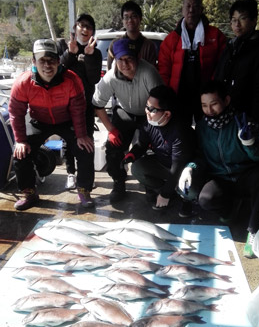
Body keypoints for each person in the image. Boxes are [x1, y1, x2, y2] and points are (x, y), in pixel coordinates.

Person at [177, 80, 259, 258]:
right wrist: (190, 168)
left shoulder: (243, 122)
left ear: (227, 100)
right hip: (221, 178)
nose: (209, 110)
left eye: (214, 104)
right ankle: (230, 210)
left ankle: (254, 232)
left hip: (245, 175)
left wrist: (249, 142)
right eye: (204, 105)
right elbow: (201, 156)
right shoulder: (201, 127)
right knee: (205, 199)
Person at [9, 38, 95, 210]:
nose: (47, 65)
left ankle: (84, 189)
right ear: (34, 61)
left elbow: (78, 108)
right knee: (20, 153)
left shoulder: (72, 79)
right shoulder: (23, 82)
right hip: (38, 120)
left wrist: (81, 135)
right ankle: (29, 192)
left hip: (66, 119)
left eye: (52, 60)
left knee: (86, 147)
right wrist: (20, 140)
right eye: (42, 60)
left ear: (58, 61)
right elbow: (16, 112)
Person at [92, 38, 163, 203]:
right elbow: (97, 104)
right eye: (120, 60)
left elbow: (161, 105)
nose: (124, 64)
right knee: (113, 148)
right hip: (125, 112)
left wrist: (154, 132)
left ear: (137, 58)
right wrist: (110, 130)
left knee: (147, 148)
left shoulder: (149, 73)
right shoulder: (110, 77)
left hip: (149, 114)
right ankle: (118, 181)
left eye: (129, 59)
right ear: (115, 60)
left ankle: (150, 184)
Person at [122, 84, 196, 210]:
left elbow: (176, 168)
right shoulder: (149, 124)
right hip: (163, 165)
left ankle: (183, 198)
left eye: (152, 109)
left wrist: (164, 195)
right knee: (137, 168)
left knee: (191, 191)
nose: (147, 111)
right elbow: (141, 144)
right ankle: (169, 191)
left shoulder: (179, 131)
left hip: (183, 170)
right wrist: (131, 155)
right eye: (146, 107)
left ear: (167, 114)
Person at [158, 0, 226, 127]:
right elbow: (164, 70)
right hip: (179, 96)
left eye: (195, 6)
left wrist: (214, 89)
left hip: (207, 96)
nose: (191, 10)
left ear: (201, 9)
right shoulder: (171, 39)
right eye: (188, 6)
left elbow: (222, 66)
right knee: (182, 132)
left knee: (208, 130)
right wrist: (167, 96)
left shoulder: (215, 35)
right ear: (182, 9)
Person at [58, 13, 102, 190]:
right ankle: (70, 173)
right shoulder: (64, 46)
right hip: (65, 104)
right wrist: (70, 53)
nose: (84, 29)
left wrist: (89, 56)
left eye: (89, 27)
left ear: (92, 32)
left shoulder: (96, 52)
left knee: (87, 141)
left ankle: (87, 180)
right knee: (68, 141)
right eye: (81, 25)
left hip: (86, 105)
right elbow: (57, 72)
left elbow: (93, 80)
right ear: (75, 28)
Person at [215, 0, 259, 126]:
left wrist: (255, 121)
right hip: (224, 115)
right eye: (234, 20)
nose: (237, 24)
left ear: (253, 21)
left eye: (242, 19)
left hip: (245, 118)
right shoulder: (229, 47)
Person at [107, 0, 157, 70]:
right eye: (126, 17)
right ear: (122, 21)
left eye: (134, 16)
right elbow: (109, 71)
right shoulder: (115, 45)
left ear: (140, 18)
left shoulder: (149, 46)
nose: (130, 20)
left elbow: (152, 72)